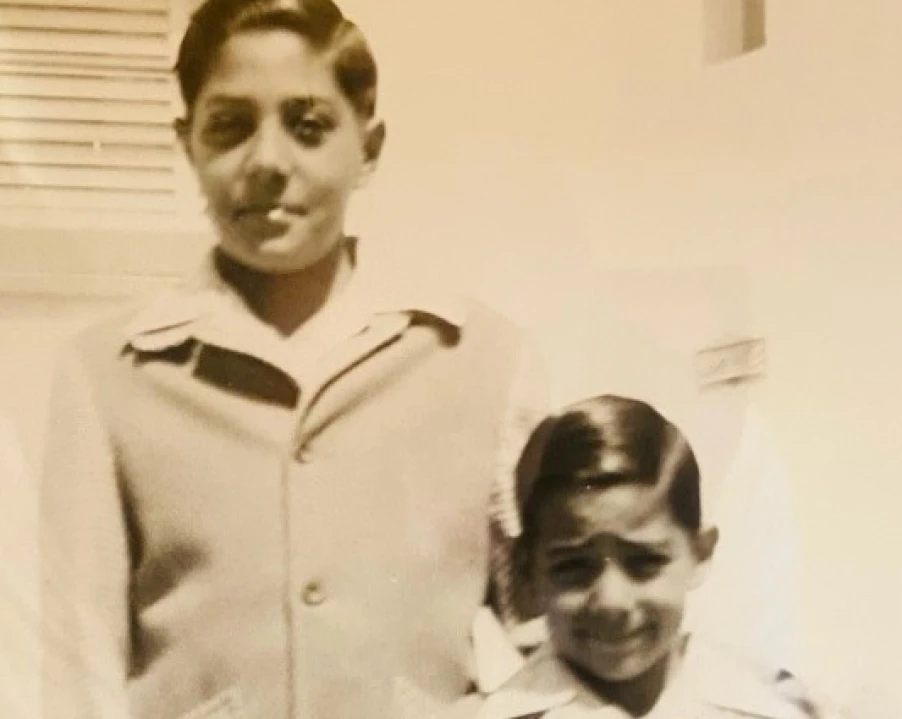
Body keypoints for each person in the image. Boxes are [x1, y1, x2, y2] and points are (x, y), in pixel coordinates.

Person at [36, 1, 545, 718]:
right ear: (187, 144)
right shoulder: (107, 375)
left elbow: (559, 639)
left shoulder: (482, 359)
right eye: (230, 125)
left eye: (308, 127)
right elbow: (75, 677)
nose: (268, 162)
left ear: (369, 147)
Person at [456, 396, 838, 719]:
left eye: (644, 562)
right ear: (527, 569)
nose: (612, 601)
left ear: (700, 553)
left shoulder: (775, 707)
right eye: (573, 567)